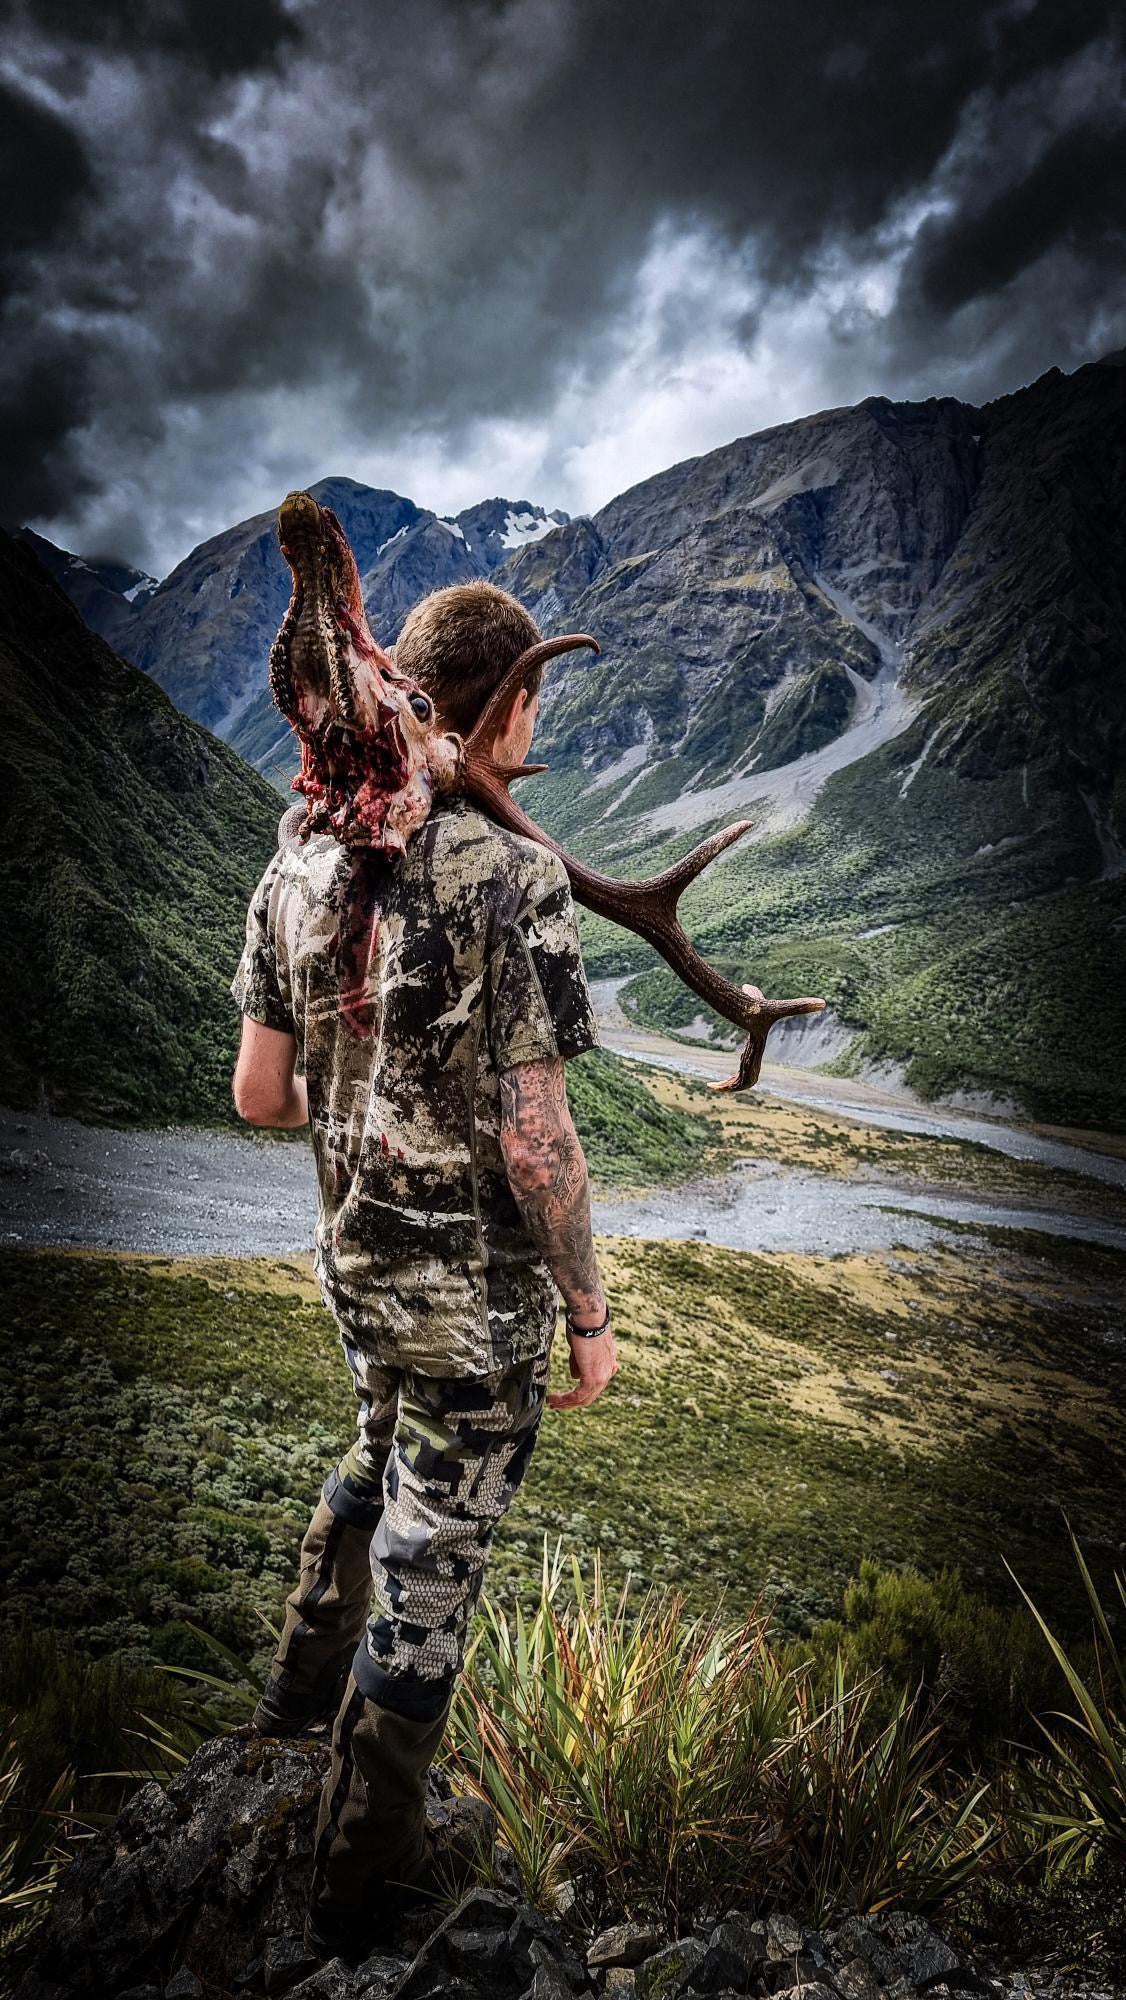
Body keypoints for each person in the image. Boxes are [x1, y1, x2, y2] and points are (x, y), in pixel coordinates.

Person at [228, 579, 618, 1961]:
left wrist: (367, 1110)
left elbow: (259, 1095)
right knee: (432, 1572)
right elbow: (537, 1135)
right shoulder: (512, 877)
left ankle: (280, 1724)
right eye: (536, 703)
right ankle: (349, 1906)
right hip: (475, 1313)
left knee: (369, 1458)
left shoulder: (303, 853)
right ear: (509, 703)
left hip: (357, 1276)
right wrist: (588, 1313)